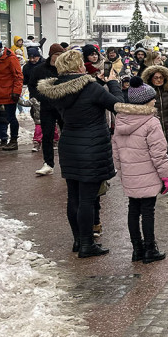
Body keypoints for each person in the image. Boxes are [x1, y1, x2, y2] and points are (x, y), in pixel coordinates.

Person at [37, 50, 123, 256]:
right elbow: (118, 105)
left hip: (70, 144)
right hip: (92, 147)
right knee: (87, 198)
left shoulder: (56, 89)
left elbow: (78, 94)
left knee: (73, 196)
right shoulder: (91, 88)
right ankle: (87, 244)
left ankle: (78, 240)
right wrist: (112, 83)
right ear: (79, 67)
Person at [112, 76, 168, 263]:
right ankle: (149, 249)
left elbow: (116, 152)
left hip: (130, 175)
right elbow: (159, 154)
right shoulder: (151, 122)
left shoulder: (120, 120)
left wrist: (122, 173)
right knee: (148, 211)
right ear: (146, 100)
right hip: (149, 175)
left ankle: (137, 249)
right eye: (152, 98)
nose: (154, 100)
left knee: (133, 210)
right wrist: (167, 177)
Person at [29, 43, 65, 176]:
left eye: (61, 55)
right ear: (51, 55)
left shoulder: (66, 68)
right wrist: (40, 97)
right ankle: (48, 164)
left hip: (63, 107)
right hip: (47, 107)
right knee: (47, 135)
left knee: (66, 135)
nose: (58, 58)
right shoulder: (40, 69)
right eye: (56, 55)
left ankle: (67, 162)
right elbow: (32, 86)